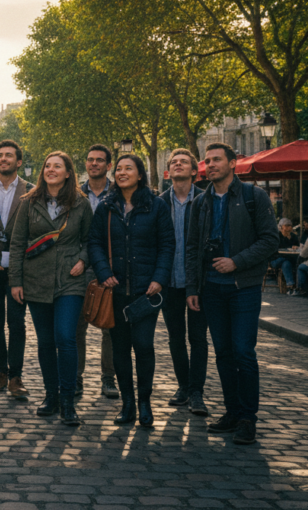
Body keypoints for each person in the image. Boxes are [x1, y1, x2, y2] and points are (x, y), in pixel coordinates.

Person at [186, 142, 278, 445]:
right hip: (211, 289)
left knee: (243, 352)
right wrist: (192, 288)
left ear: (232, 164)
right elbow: (192, 248)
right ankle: (232, 411)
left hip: (243, 288)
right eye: (206, 161)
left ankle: (247, 419)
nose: (209, 165)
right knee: (223, 353)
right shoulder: (201, 202)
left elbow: (269, 241)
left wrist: (236, 261)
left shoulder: (254, 196)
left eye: (216, 160)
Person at [88, 154, 174, 429]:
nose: (123, 173)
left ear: (140, 175)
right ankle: (127, 403)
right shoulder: (106, 207)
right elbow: (95, 243)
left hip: (145, 292)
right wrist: (104, 273)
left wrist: (159, 278)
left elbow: (167, 245)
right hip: (115, 291)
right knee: (120, 349)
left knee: (144, 346)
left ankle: (145, 402)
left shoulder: (156, 206)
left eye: (129, 168)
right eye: (120, 169)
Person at [9, 152, 92, 426]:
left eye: (58, 166)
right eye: (48, 166)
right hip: (36, 280)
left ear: (69, 172)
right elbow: (18, 243)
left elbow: (90, 240)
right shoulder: (28, 202)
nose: (51, 170)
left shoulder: (81, 203)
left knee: (66, 337)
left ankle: (68, 401)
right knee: (45, 341)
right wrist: (16, 281)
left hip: (70, 279)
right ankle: (51, 396)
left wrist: (82, 259)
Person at [158, 149, 209, 416]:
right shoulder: (159, 203)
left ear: (193, 171)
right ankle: (183, 386)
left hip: (197, 283)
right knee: (175, 338)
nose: (178, 165)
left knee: (198, 338)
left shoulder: (205, 200)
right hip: (169, 283)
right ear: (169, 172)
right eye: (174, 162)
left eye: (184, 162)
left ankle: (197, 391)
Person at [0, 139, 33, 400]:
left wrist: (17, 259)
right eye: (0, 155)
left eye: (9, 156)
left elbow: (35, 233)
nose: (4, 159)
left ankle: (16, 376)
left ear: (19, 161)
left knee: (16, 323)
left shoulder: (31, 191)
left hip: (17, 267)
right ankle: (0, 372)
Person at [77, 144, 118, 399]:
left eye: (99, 160)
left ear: (108, 165)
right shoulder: (75, 194)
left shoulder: (120, 192)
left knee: (109, 327)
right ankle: (76, 377)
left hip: (110, 267)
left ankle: (108, 379)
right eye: (90, 160)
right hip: (79, 269)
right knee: (76, 327)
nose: (94, 164)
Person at [270, 218, 300, 293]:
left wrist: (296, 246)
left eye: (290, 226)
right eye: (286, 226)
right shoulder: (277, 236)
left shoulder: (293, 236)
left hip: (288, 259)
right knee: (286, 261)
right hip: (275, 260)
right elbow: (275, 250)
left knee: (286, 263)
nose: (289, 228)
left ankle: (290, 286)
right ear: (281, 227)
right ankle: (292, 286)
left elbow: (297, 246)